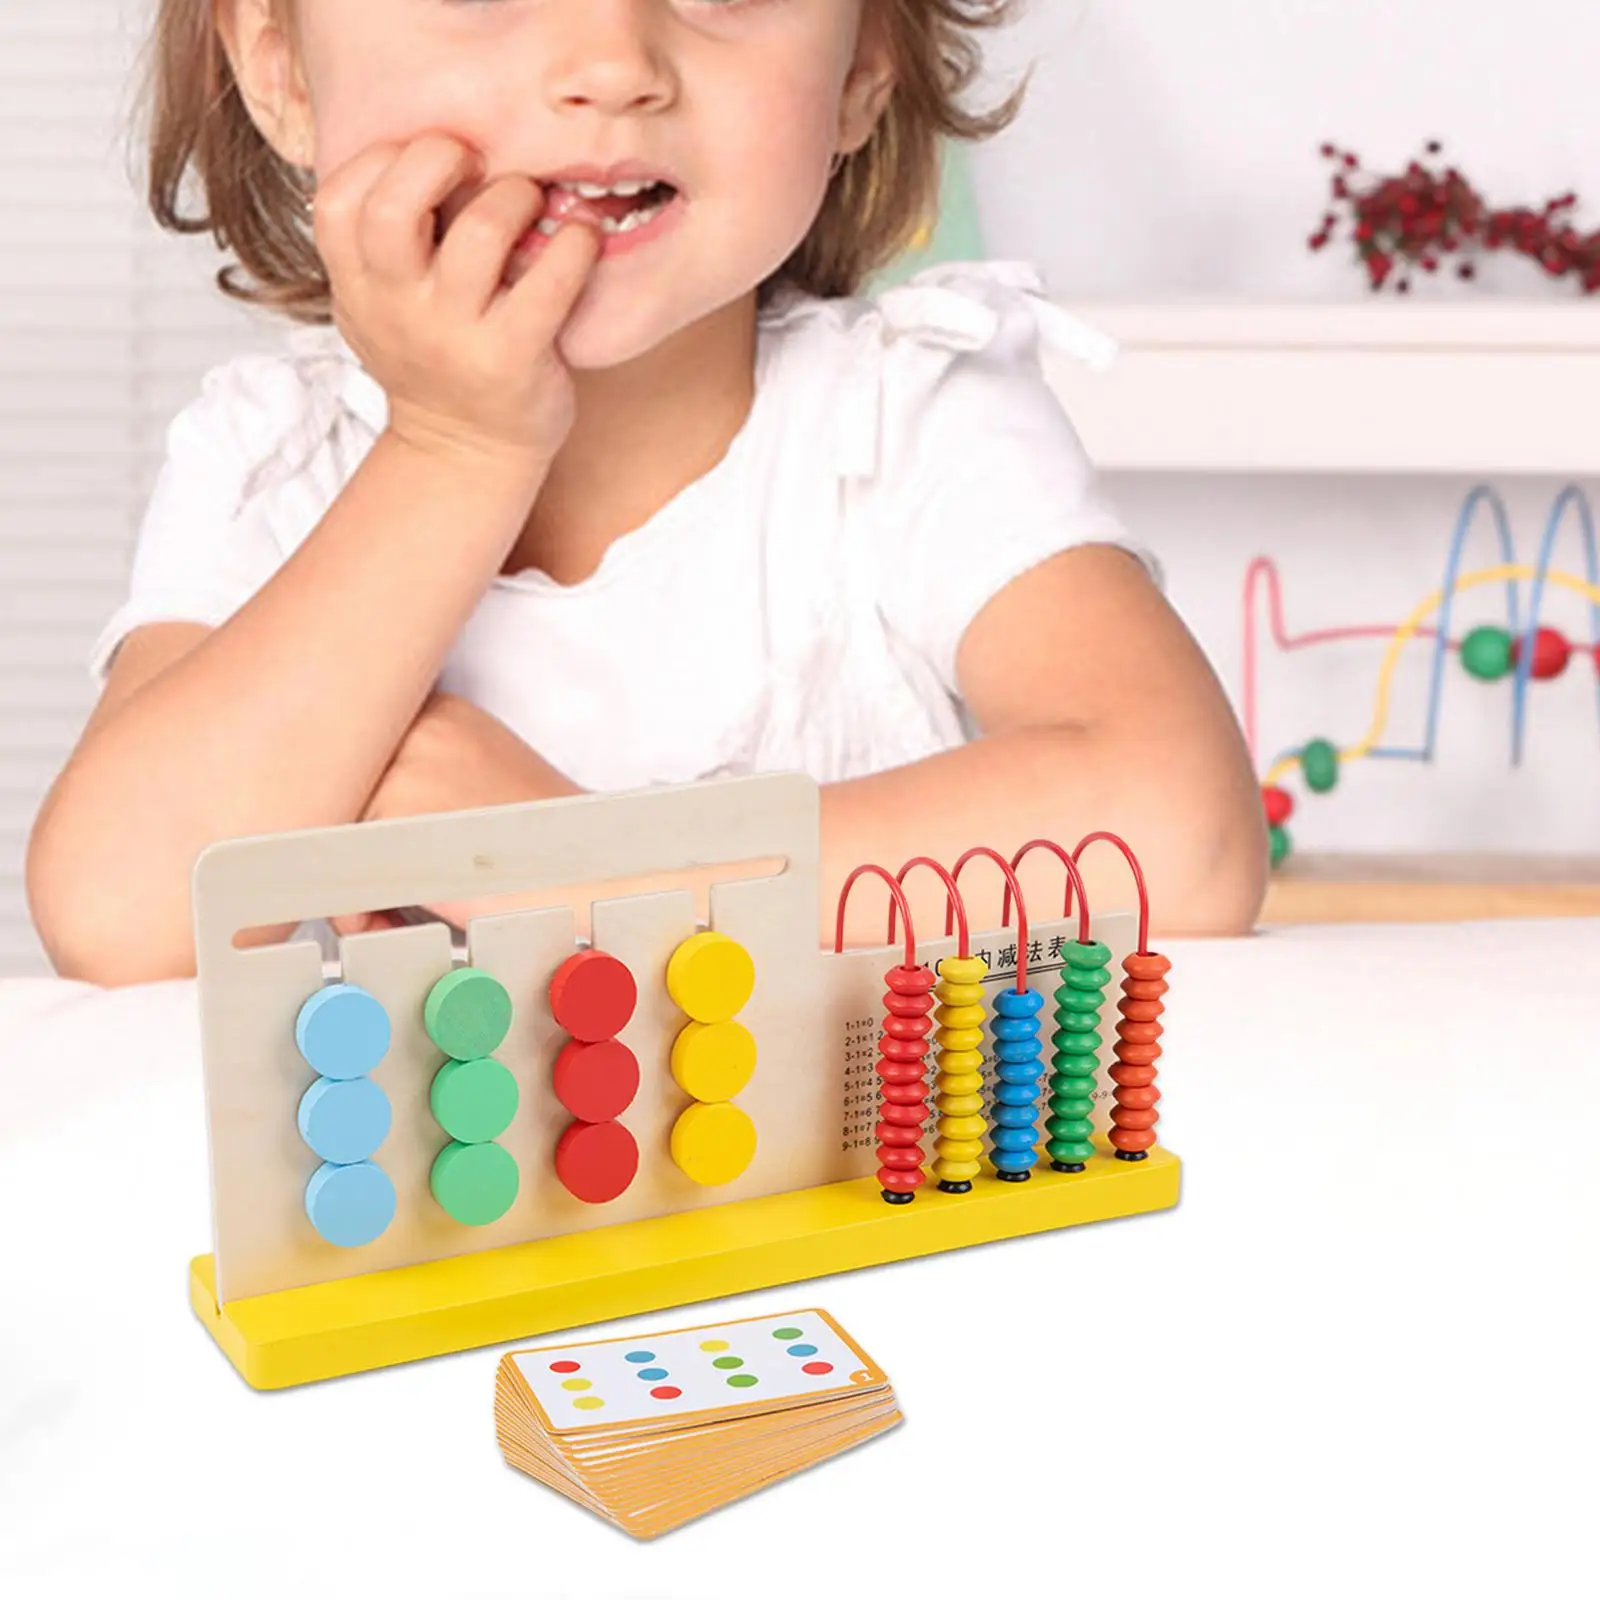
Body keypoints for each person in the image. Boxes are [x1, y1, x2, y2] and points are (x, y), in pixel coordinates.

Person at [27, 0, 1265, 987]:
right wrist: (458, 447)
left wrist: (596, 875)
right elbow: (118, 910)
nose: (613, 60)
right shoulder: (272, 457)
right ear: (281, 67)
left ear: (860, 69)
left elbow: (1189, 836)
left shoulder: (905, 421)